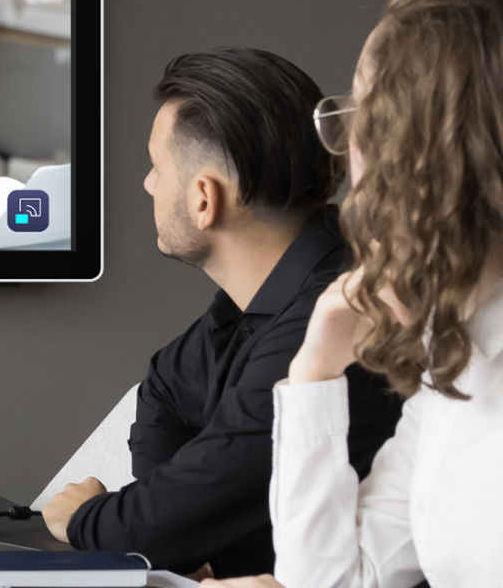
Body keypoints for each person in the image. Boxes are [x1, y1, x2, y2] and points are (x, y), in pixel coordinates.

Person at [40, 48, 402, 578]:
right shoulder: (256, 304)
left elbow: (150, 529)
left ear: (204, 199)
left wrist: (86, 518)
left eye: (156, 167)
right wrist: (182, 528)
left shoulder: (334, 319)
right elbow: (165, 389)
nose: (148, 183)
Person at [203, 0, 503, 588]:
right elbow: (338, 580)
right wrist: (315, 369)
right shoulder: (452, 347)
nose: (346, 147)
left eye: (364, 117)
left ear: (433, 156)